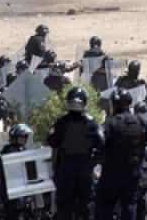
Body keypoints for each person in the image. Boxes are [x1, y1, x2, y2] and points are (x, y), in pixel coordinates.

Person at [97, 92, 147, 220]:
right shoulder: (140, 121)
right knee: (129, 205)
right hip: (133, 173)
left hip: (111, 173)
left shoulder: (110, 123)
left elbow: (99, 142)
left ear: (116, 104)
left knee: (105, 205)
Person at [49, 87, 104, 220]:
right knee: (86, 205)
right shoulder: (91, 123)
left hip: (66, 170)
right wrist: (92, 161)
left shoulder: (61, 122)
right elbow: (102, 143)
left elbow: (51, 141)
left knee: (65, 206)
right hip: (84, 169)